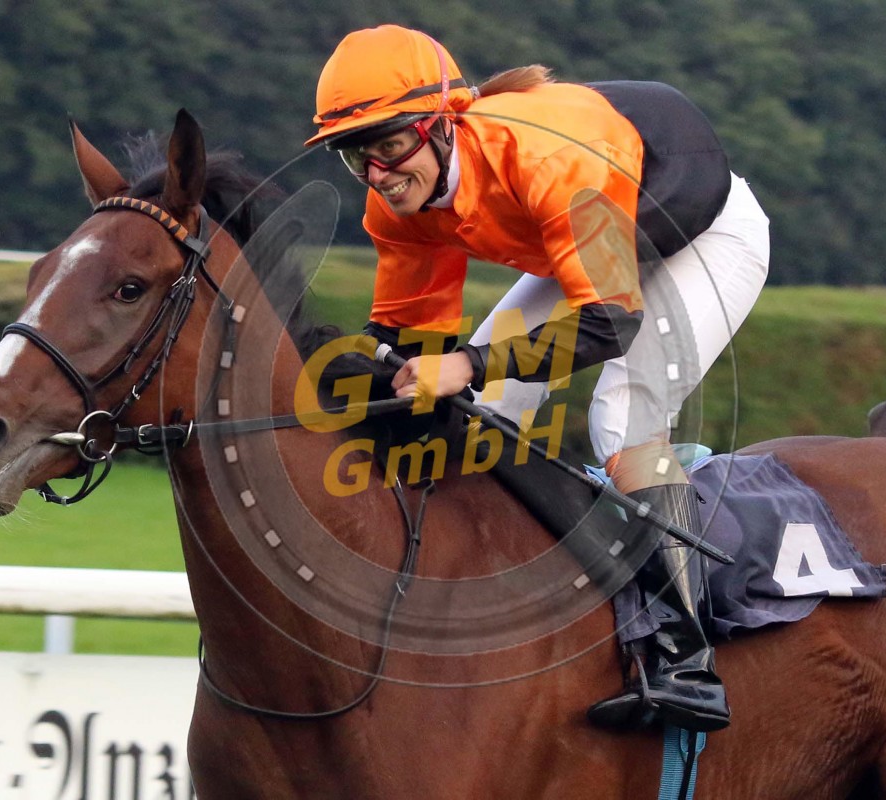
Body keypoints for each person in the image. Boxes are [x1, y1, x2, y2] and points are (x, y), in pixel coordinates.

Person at [306, 24, 770, 733]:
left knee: (622, 418)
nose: (377, 173)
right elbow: (409, 343)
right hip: (594, 245)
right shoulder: (398, 204)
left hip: (703, 239)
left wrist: (467, 363)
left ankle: (686, 659)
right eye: (355, 154)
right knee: (481, 406)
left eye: (390, 145)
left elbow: (608, 323)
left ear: (443, 123)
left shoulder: (545, 157)